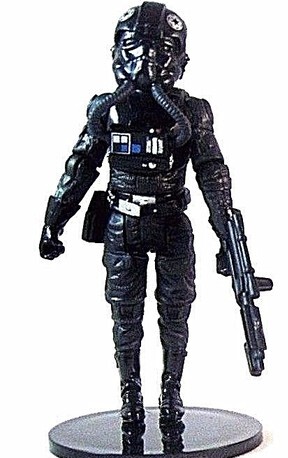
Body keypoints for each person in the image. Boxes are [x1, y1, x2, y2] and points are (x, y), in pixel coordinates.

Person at [40, 2, 239, 427]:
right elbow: (80, 166)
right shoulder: (107, 110)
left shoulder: (192, 112)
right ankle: (130, 393)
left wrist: (229, 240)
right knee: (124, 314)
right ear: (117, 55)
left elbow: (213, 175)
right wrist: (54, 220)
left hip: (171, 222)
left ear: (181, 60)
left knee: (176, 311)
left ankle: (171, 390)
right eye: (135, 48)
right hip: (122, 222)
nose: (147, 61)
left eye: (161, 50)